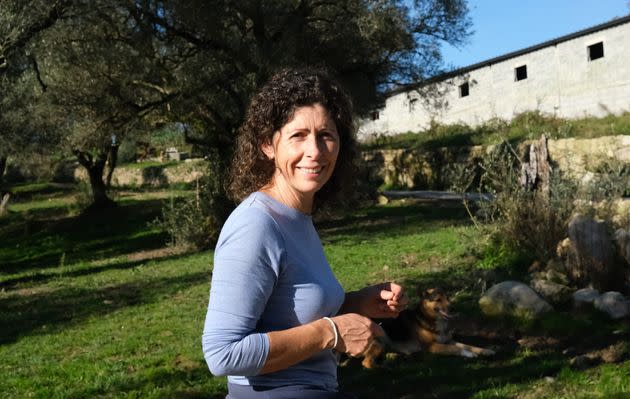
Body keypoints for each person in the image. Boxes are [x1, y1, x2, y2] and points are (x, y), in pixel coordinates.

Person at [202, 68, 407, 398]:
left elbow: (288, 314)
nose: (315, 151)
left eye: (326, 135)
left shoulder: (296, 217)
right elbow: (222, 354)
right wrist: (331, 333)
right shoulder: (256, 225)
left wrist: (357, 303)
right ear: (268, 144)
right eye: (298, 135)